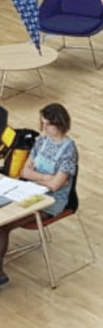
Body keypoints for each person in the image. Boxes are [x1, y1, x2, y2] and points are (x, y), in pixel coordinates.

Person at [0, 102, 77, 287]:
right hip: (29, 190)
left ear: (60, 124)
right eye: (42, 123)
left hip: (49, 200)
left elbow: (56, 186)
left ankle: (0, 274)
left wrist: (43, 179)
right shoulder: (41, 141)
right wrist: (46, 177)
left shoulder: (68, 150)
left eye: (47, 124)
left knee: (2, 226)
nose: (43, 128)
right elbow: (25, 173)